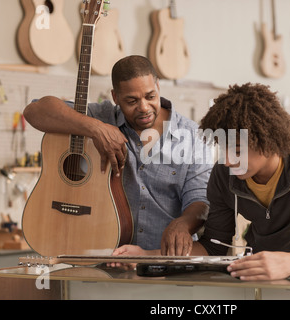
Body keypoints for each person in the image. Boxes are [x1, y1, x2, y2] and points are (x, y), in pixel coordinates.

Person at [120, 83, 290, 281]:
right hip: (261, 281)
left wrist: (288, 263)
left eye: (238, 151)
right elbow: (213, 247)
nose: (229, 161)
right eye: (224, 149)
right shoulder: (223, 175)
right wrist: (147, 255)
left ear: (268, 141)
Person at [23, 55, 212, 256]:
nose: (144, 108)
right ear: (115, 97)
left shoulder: (193, 136)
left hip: (163, 260)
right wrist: (95, 128)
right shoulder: (103, 116)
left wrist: (183, 224)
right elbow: (35, 111)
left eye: (150, 96)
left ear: (158, 86)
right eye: (132, 101)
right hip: (106, 259)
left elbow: (200, 199)